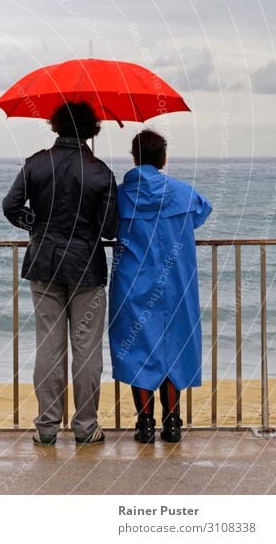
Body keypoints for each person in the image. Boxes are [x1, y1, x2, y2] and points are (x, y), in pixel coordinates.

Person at [3, 101, 119, 445]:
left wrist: (35, 226)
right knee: (87, 350)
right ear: (91, 130)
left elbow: (10, 206)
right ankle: (86, 428)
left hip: (44, 264)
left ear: (55, 126)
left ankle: (47, 427)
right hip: (87, 267)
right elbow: (110, 229)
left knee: (49, 347)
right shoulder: (100, 172)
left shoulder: (35, 164)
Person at [108, 130, 212, 444]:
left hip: (132, 282)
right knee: (174, 349)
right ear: (163, 158)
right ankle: (173, 423)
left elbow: (106, 224)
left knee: (137, 349)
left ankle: (144, 425)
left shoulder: (120, 195)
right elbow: (201, 212)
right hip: (176, 283)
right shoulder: (183, 193)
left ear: (134, 158)